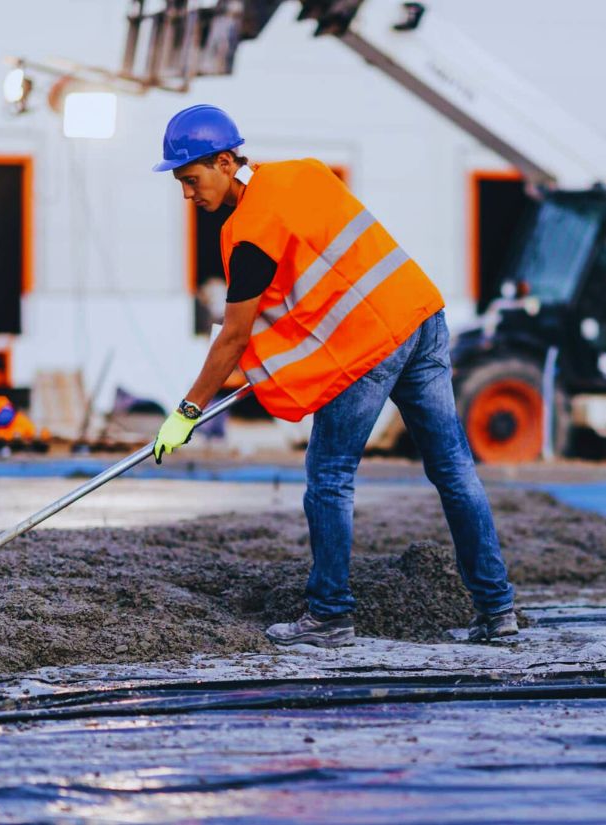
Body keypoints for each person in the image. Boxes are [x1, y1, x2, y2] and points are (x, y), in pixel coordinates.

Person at [151, 104, 517, 647]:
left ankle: (328, 616)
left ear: (225, 162)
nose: (187, 194)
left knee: (329, 477)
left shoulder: (249, 231)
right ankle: (498, 612)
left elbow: (233, 335)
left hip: (371, 346)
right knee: (455, 470)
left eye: (190, 178)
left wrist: (186, 411)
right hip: (422, 317)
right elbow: (313, 281)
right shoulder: (305, 172)